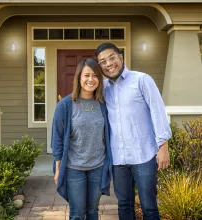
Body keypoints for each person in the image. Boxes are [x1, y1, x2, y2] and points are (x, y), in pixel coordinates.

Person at [95, 42, 172, 220]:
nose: (108, 64)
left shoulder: (142, 80)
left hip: (143, 155)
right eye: (103, 61)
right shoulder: (103, 88)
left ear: (120, 58)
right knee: (124, 205)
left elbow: (158, 112)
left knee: (149, 206)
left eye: (112, 58)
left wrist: (163, 147)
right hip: (118, 159)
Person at [51, 58, 112, 220]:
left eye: (95, 75)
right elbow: (57, 138)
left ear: (99, 79)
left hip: (98, 167)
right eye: (86, 75)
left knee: (92, 211)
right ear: (79, 78)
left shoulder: (103, 104)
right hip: (73, 168)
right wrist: (58, 169)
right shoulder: (65, 105)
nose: (90, 80)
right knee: (77, 214)